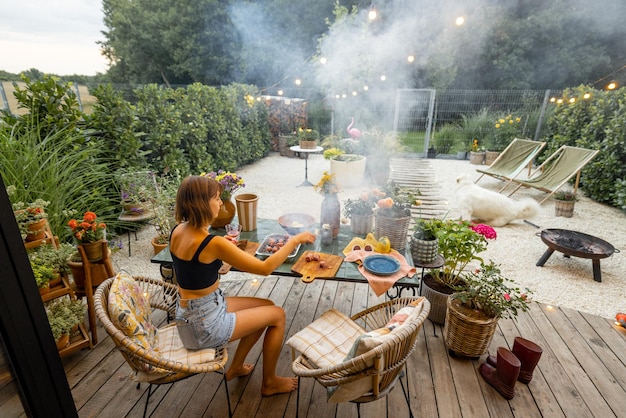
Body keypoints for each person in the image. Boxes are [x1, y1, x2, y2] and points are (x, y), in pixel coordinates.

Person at [170, 175, 316, 396]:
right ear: (201, 203)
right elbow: (265, 268)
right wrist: (294, 240)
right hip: (204, 325)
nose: (220, 203)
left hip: (189, 315)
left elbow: (195, 268)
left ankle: (236, 367)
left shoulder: (178, 231)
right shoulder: (213, 243)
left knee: (265, 305)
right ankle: (269, 382)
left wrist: (222, 250)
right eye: (217, 198)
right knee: (277, 315)